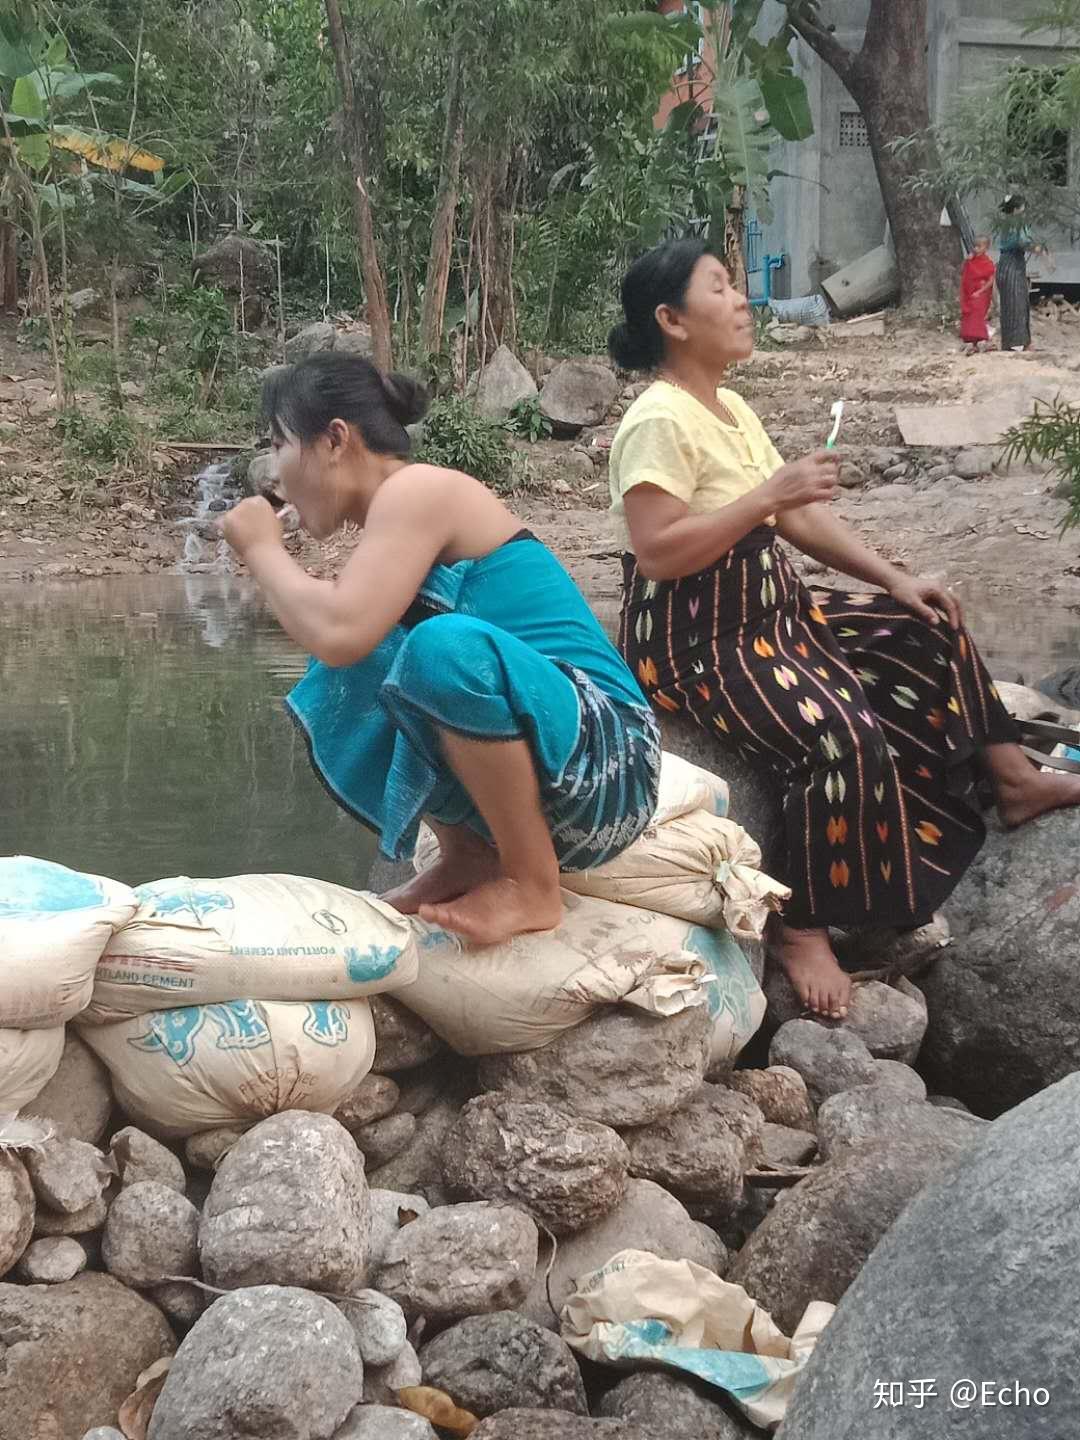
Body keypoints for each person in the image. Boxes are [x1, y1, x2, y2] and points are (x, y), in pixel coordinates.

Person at [607, 237, 1080, 1020]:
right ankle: (801, 926)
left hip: (767, 610)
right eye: (720, 288)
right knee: (839, 735)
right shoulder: (657, 417)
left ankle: (1015, 780)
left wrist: (893, 578)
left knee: (928, 625)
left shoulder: (728, 406)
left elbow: (795, 516)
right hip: (696, 639)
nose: (741, 301)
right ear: (672, 320)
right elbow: (658, 552)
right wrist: (766, 496)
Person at [220, 352, 661, 946]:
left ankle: (534, 887)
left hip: (613, 765)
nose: (273, 473)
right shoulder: (396, 515)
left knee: (438, 648)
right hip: (568, 778)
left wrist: (261, 548)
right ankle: (472, 857)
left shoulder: (417, 489)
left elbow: (340, 629)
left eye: (278, 445)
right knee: (375, 663)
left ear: (334, 440)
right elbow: (344, 639)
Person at [995, 194, 1043, 352]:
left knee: (1009, 304)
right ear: (1016, 209)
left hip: (1005, 263)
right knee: (1018, 302)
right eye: (1022, 207)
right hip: (1013, 264)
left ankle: (1009, 342)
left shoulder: (1005, 222)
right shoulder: (1017, 223)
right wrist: (1035, 248)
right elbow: (1022, 241)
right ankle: (1022, 342)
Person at [959, 236, 995, 354]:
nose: (976, 249)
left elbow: (990, 281)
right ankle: (970, 339)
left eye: (980, 246)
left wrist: (980, 291)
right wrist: (967, 260)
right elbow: (964, 273)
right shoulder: (971, 261)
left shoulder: (987, 262)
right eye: (975, 246)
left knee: (977, 316)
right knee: (969, 315)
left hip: (981, 293)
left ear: (986, 247)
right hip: (969, 292)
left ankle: (981, 338)